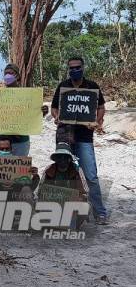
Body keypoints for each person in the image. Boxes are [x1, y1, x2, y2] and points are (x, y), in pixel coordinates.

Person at [50, 56, 108, 225]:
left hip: (84, 137)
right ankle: (65, 211)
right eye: (71, 68)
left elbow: (101, 107)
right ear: (68, 69)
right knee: (64, 172)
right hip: (64, 136)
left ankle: (100, 212)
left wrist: (97, 121)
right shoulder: (63, 86)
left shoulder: (92, 86)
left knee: (90, 175)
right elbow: (54, 108)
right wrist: (56, 117)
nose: (74, 70)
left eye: (77, 67)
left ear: (83, 67)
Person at [0, 63, 48, 156]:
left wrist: (42, 112)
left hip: (21, 142)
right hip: (2, 142)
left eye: (11, 73)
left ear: (17, 76)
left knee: (19, 169)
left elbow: (32, 118)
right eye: (5, 73)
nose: (7, 76)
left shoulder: (28, 96)